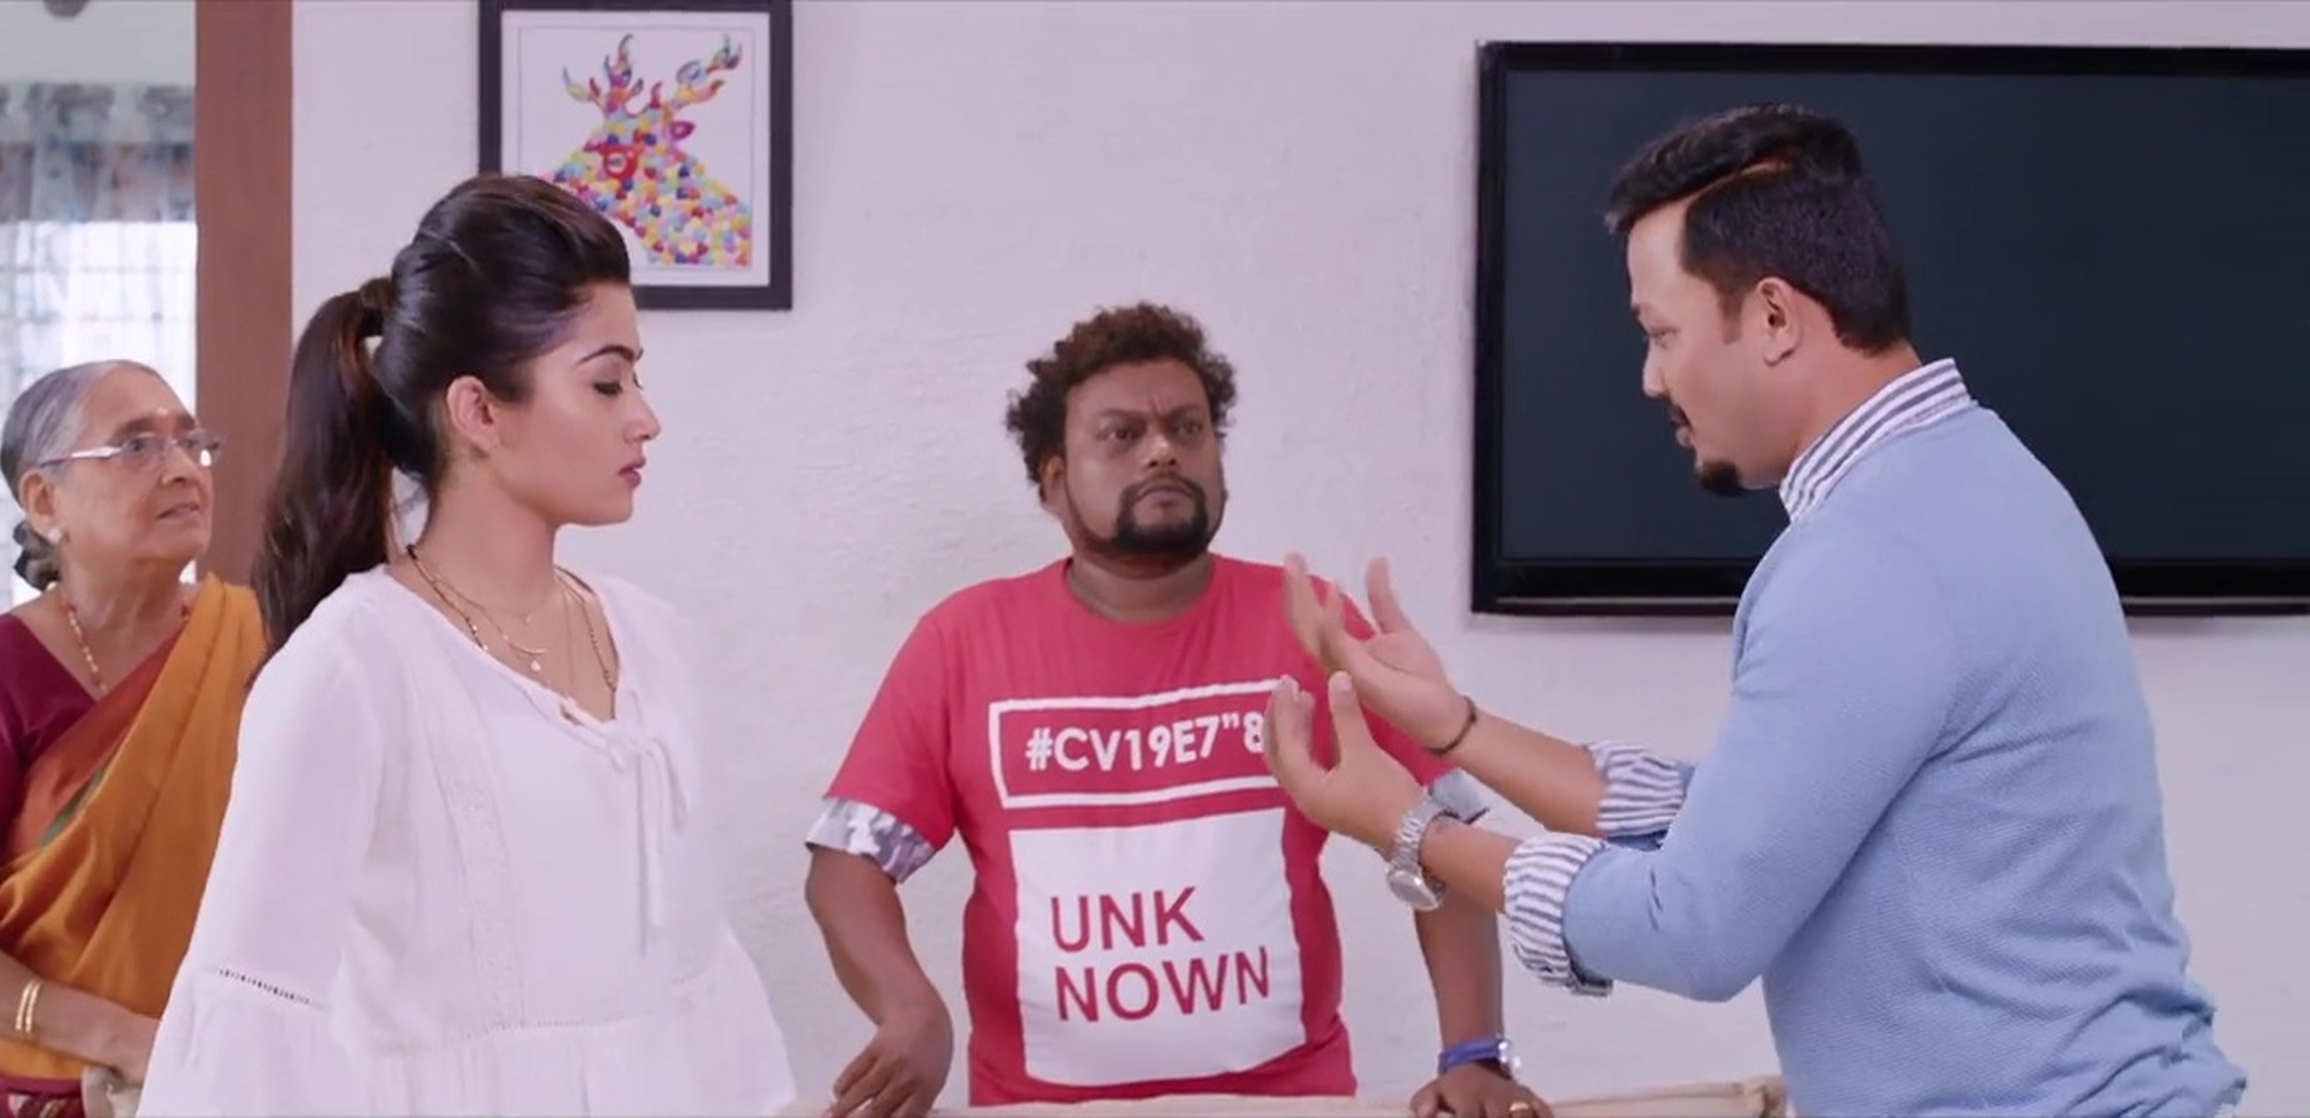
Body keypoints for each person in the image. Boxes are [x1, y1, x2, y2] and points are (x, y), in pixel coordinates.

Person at [1254, 104, 2247, 1117]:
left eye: (1661, 334)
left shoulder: (1867, 555)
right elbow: (1753, 827)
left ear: (1772, 318)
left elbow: (1693, 922)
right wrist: (1453, 727)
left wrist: (1407, 827)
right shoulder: (1977, 477)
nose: (1650, 378)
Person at [132, 173, 795, 1117]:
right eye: (606, 382)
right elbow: (253, 1013)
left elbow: (698, 991)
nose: (644, 416)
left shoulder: (657, 643)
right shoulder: (354, 664)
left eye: (636, 379)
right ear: (479, 411)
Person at [804, 303, 1551, 1118]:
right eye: (1120, 434)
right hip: (1037, 1109)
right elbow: (847, 864)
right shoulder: (963, 641)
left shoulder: (1307, 623)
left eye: (1187, 428)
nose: (1162, 449)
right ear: (1053, 481)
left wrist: (1475, 1054)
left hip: (1283, 1107)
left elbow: (1442, 839)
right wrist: (909, 1007)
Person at [0, 360, 261, 1118]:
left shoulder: (259, 638)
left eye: (191, 443)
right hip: (56, 1085)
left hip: (230, 1074)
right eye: (137, 446)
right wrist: (124, 1040)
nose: (182, 468)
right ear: (45, 500)